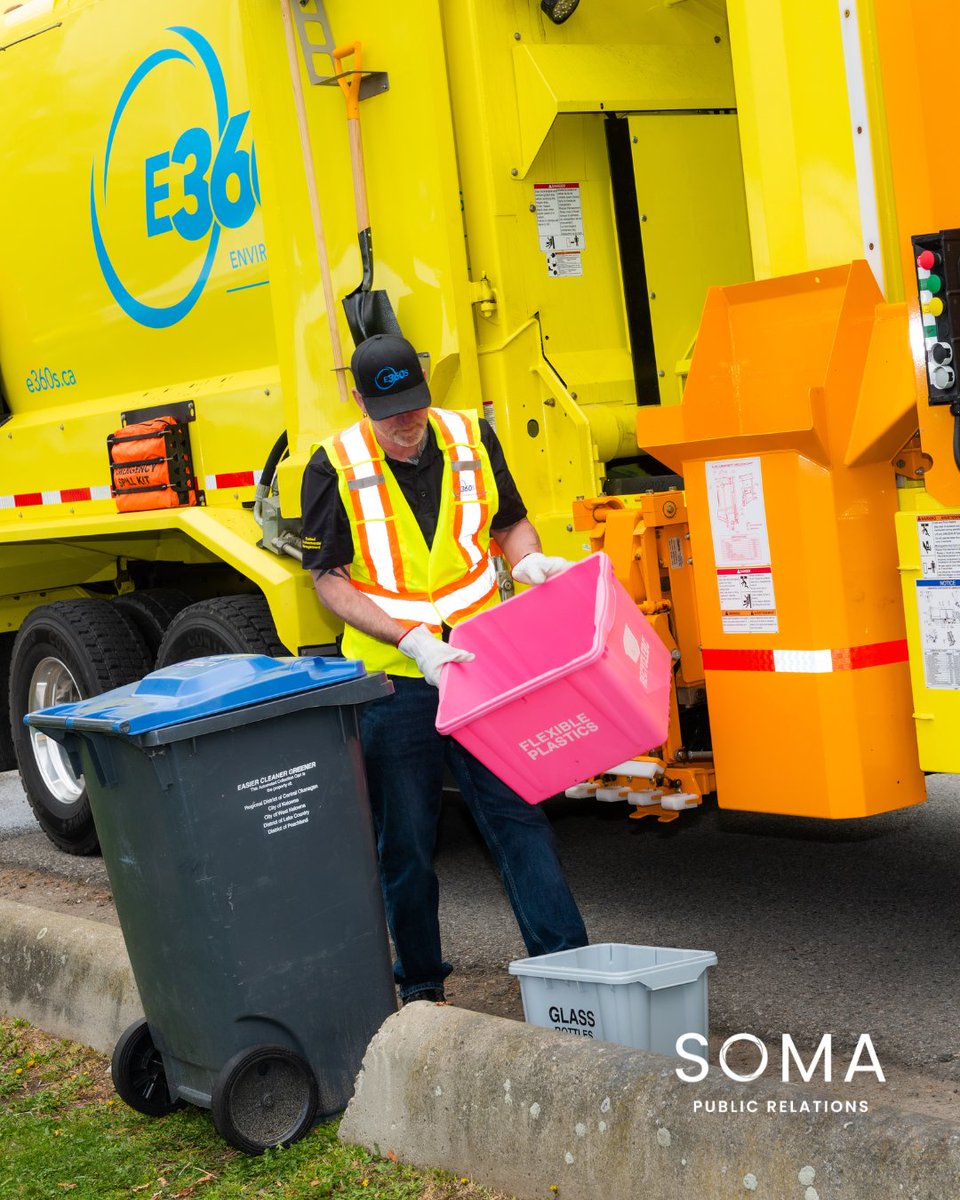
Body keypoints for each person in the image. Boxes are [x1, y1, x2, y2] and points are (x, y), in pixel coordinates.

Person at [301, 333, 588, 1004]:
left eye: (414, 405)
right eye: (389, 411)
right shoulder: (333, 463)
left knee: (517, 818)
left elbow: (509, 521)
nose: (406, 423)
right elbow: (329, 581)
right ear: (359, 398)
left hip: (481, 662)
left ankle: (573, 975)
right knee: (405, 842)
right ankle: (423, 986)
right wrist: (412, 642)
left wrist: (526, 562)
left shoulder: (469, 436)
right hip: (396, 680)